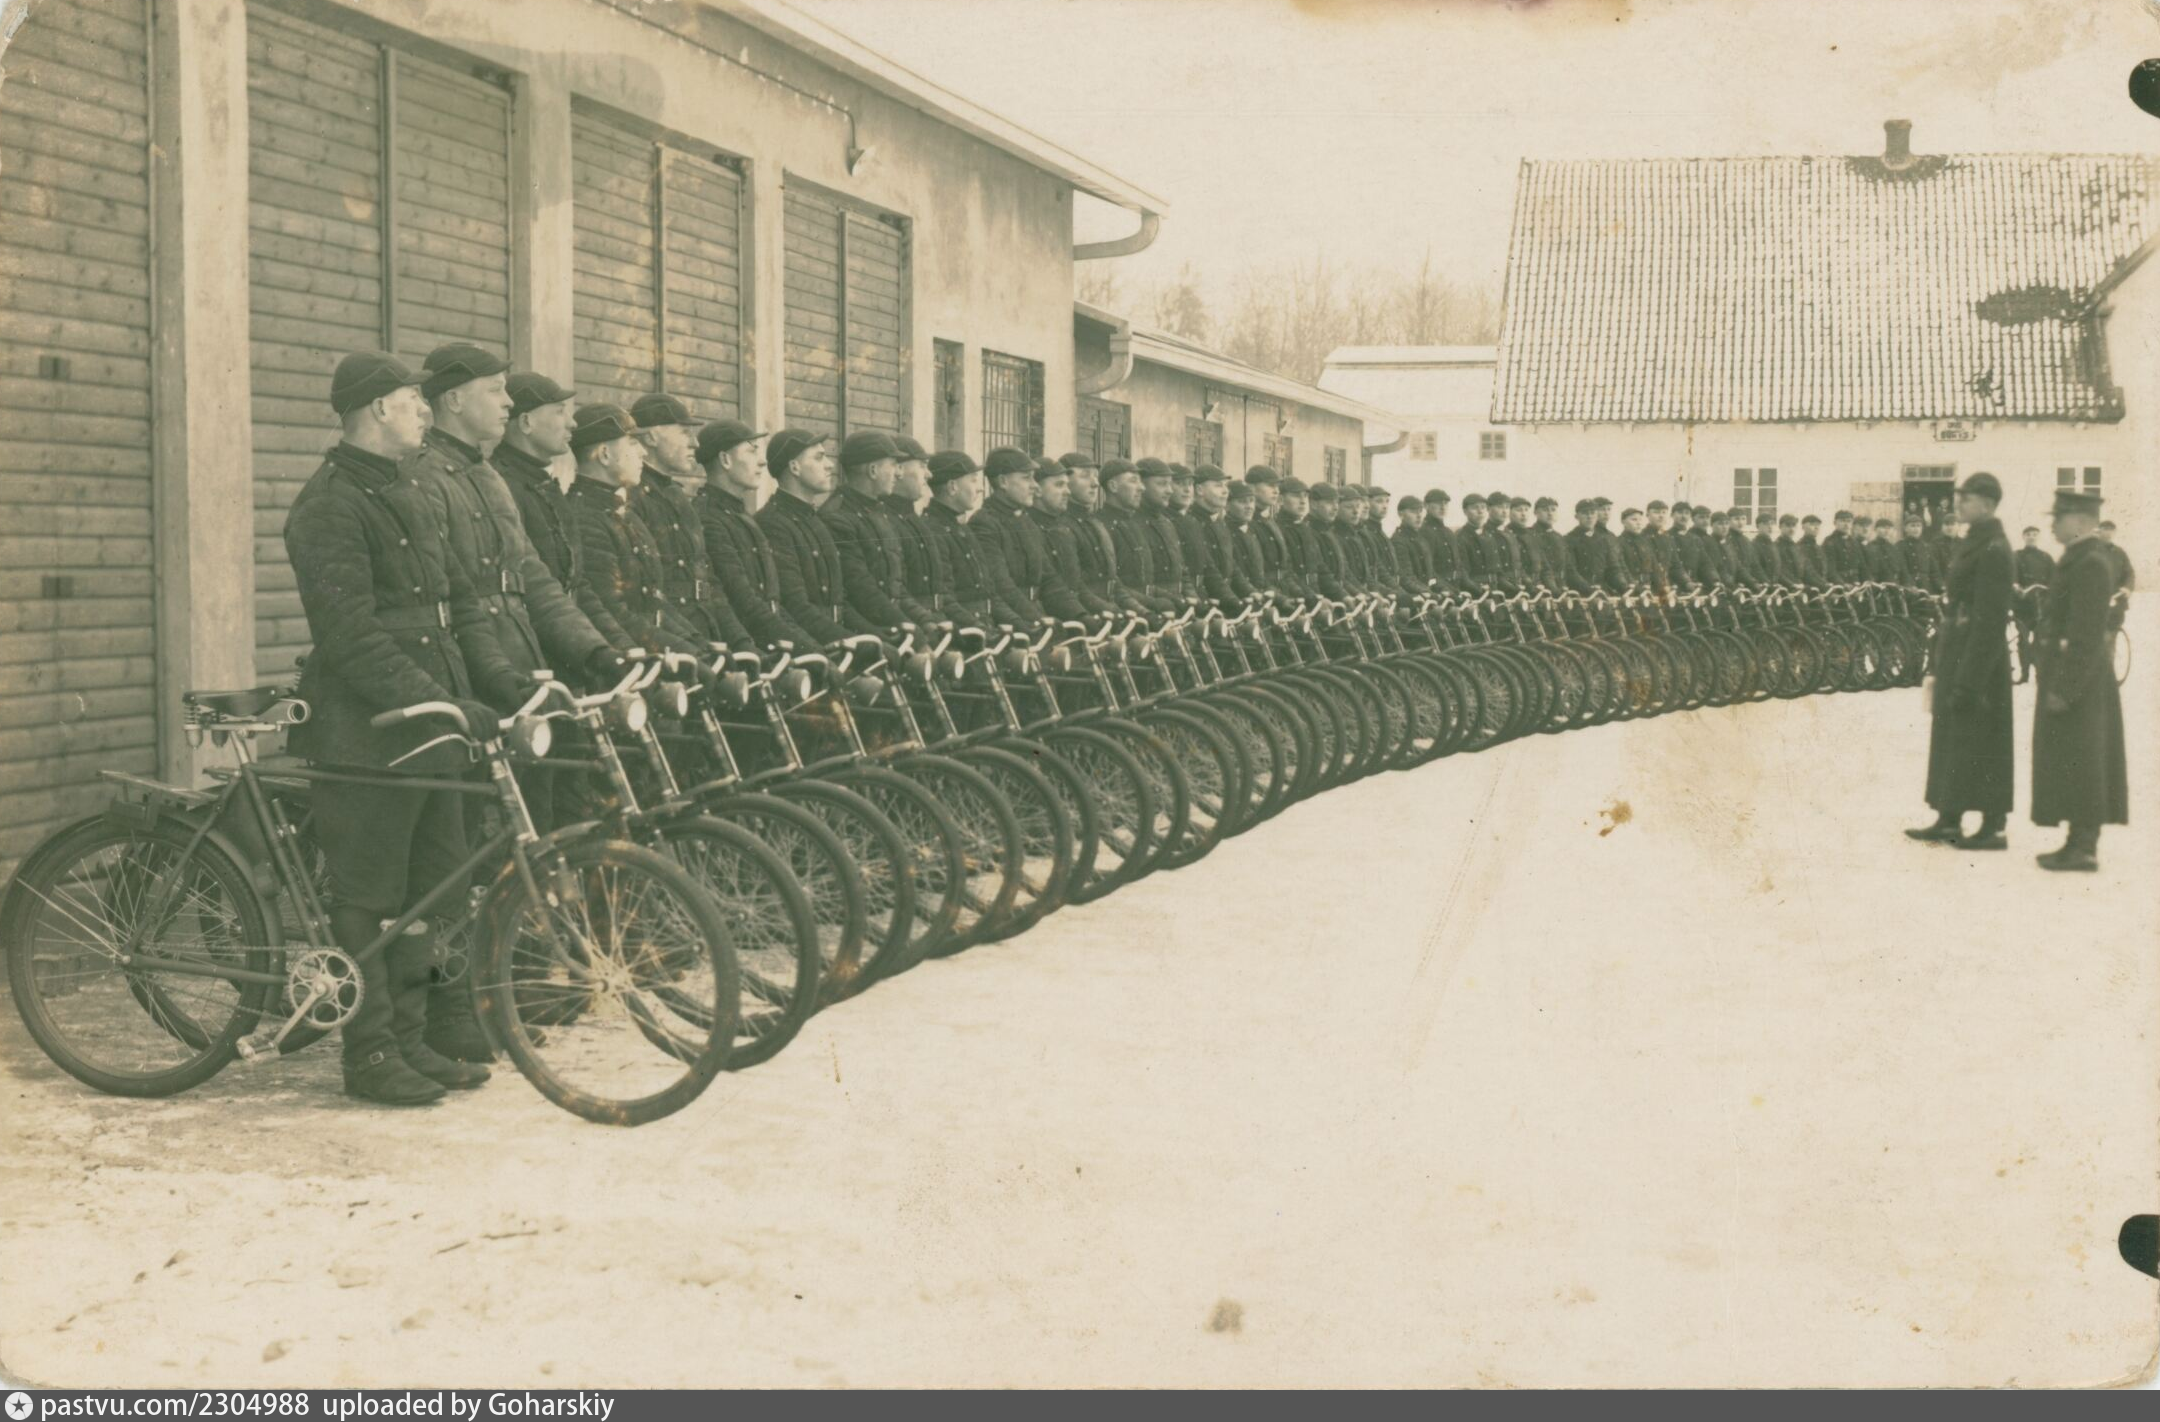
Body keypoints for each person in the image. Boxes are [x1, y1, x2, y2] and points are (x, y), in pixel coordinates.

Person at [284, 352, 518, 1105]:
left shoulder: (411, 486)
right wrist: (435, 700)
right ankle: (371, 1051)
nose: (425, 411)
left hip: (430, 721)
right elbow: (349, 636)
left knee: (430, 889)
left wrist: (496, 684)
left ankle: (413, 1040)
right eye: (414, 400)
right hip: (368, 727)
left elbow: (462, 600)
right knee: (370, 892)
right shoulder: (326, 506)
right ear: (379, 408)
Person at [1906, 473, 2015, 850]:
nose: (1959, 504)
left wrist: (1971, 678)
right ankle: (1948, 817)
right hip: (1958, 648)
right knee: (1954, 733)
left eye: (1966, 499)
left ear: (1987, 504)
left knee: (1985, 737)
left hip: (1980, 658)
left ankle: (1993, 826)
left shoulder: (1995, 547)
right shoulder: (1973, 541)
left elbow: (1990, 618)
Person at [493, 373, 636, 656]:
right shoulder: (502, 485)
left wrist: (621, 649)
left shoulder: (545, 485)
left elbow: (577, 585)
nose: (572, 423)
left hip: (572, 644)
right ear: (526, 422)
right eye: (559, 412)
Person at [2032, 489, 2129, 871]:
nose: (2052, 525)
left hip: (2081, 681)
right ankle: (2076, 841)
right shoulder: (2077, 558)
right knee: (2073, 757)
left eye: (2058, 518)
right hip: (2072, 675)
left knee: (2085, 759)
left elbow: (2087, 635)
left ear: (2079, 521)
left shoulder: (2090, 563)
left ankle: (2084, 847)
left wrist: (2066, 688)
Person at [566, 404, 702, 657]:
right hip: (627, 658)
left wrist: (697, 645)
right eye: (631, 443)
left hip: (651, 650)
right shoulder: (583, 517)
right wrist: (687, 652)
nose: (642, 452)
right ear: (604, 454)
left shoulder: (623, 513)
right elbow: (614, 613)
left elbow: (654, 604)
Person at [823, 430, 940, 632]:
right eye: (893, 465)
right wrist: (915, 632)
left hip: (894, 625)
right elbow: (862, 591)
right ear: (873, 470)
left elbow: (897, 588)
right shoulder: (838, 517)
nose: (898, 473)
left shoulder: (878, 513)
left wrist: (925, 621)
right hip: (868, 630)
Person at [2012, 526, 2056, 684]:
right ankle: (2024, 674)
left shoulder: (2046, 557)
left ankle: (2039, 674)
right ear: (2023, 537)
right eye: (2028, 534)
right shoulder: (2016, 556)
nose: (2031, 537)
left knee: (2040, 639)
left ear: (2038, 537)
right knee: (2023, 640)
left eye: (2034, 535)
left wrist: (2051, 589)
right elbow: (2012, 574)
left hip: (2041, 605)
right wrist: (2016, 585)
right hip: (2022, 604)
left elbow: (2055, 577)